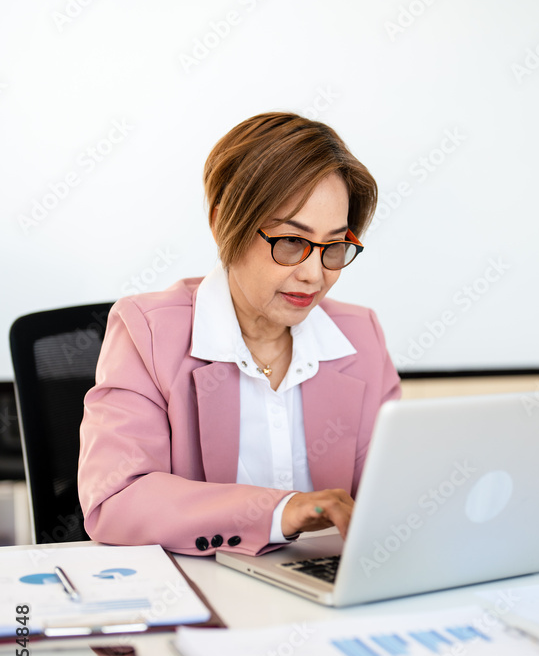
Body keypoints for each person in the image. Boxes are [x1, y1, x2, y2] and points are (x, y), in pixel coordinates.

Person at [78, 112, 401, 557]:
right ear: (222, 222)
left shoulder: (359, 336)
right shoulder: (147, 331)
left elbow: (391, 497)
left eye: (334, 247)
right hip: (205, 599)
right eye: (291, 241)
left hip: (327, 597)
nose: (313, 275)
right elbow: (116, 500)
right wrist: (279, 511)